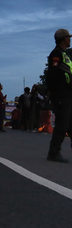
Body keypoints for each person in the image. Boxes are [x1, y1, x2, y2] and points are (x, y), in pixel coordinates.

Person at [45, 29, 72, 162]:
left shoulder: (64, 54)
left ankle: (55, 151)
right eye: (68, 37)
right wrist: (55, 92)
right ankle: (53, 152)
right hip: (62, 95)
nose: (70, 39)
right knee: (62, 124)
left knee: (69, 123)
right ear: (63, 39)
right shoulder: (56, 54)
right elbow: (52, 75)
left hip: (68, 93)